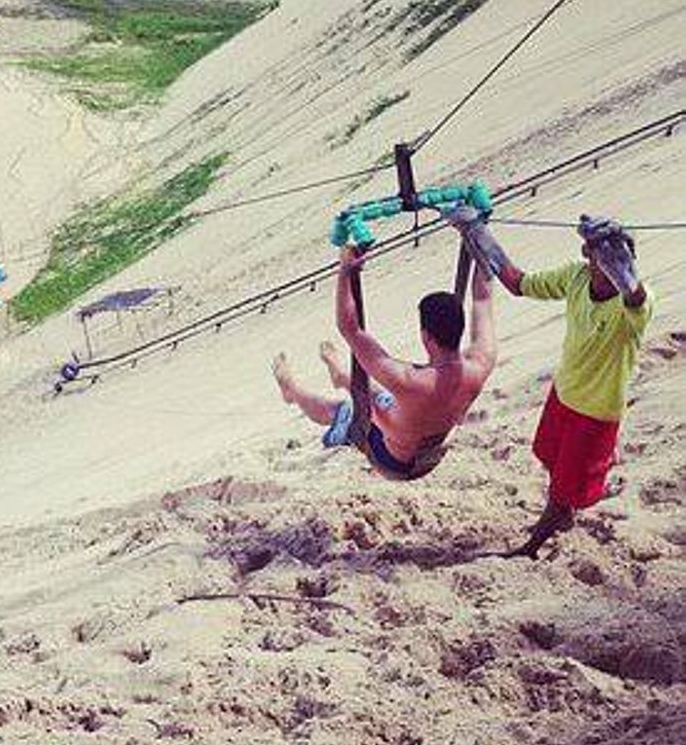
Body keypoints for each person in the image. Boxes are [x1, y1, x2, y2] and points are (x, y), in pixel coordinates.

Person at [454, 211, 653, 556]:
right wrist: (476, 231)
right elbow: (519, 283)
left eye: (618, 256)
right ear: (586, 257)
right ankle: (561, 510)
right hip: (565, 392)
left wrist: (620, 267)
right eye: (598, 254)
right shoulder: (576, 277)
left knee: (564, 490)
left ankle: (534, 543)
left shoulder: (634, 304)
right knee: (547, 454)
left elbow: (634, 295)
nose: (607, 263)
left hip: (595, 412)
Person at [273, 246, 496, 480]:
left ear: (426, 336)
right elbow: (483, 298)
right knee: (379, 394)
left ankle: (293, 392)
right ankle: (342, 377)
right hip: (430, 454)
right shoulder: (481, 363)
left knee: (344, 410)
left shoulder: (409, 380)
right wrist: (476, 237)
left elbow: (350, 329)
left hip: (393, 463)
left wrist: (346, 270)